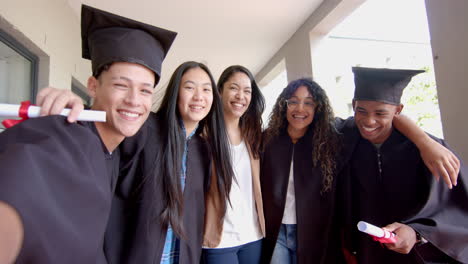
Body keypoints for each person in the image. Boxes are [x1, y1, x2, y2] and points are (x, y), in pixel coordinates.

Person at [0, 4, 176, 264]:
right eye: (120, 85)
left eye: (145, 91)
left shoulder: (114, 148)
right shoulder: (70, 137)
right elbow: (25, 179)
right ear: (93, 86)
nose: (134, 100)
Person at [103, 61, 234, 264]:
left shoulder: (204, 150)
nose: (199, 97)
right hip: (135, 254)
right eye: (189, 87)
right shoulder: (145, 129)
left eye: (206, 90)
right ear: (176, 93)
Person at [339, 67, 468, 263]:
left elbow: (455, 210)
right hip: (369, 254)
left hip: (420, 256)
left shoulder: (431, 151)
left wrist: (417, 233)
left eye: (380, 113)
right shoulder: (345, 141)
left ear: (398, 110)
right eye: (361, 110)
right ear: (354, 105)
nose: (369, 120)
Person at [261, 78, 343, 264]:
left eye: (308, 103)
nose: (300, 109)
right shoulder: (268, 140)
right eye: (293, 101)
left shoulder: (328, 143)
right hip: (276, 231)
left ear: (318, 108)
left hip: (311, 232)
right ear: (284, 105)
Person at [202, 65, 265, 263]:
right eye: (234, 88)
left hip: (254, 236)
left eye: (247, 91)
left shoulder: (254, 137)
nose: (241, 96)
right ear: (219, 91)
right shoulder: (203, 136)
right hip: (219, 241)